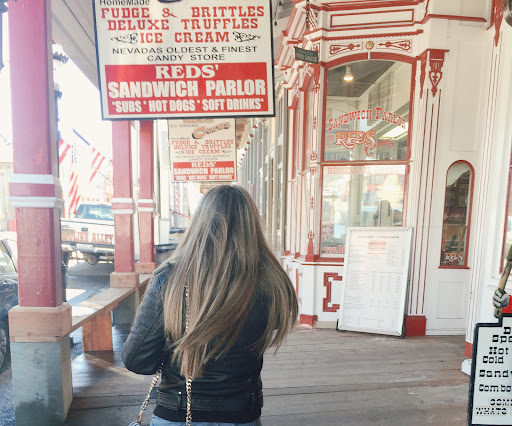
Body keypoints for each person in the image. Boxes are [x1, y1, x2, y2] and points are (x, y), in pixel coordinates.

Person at [122, 185, 299, 426]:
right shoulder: (270, 279)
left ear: (199, 223)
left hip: (179, 412)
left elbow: (138, 361)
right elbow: (274, 323)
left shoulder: (170, 279)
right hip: (242, 414)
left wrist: (179, 340)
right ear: (251, 225)